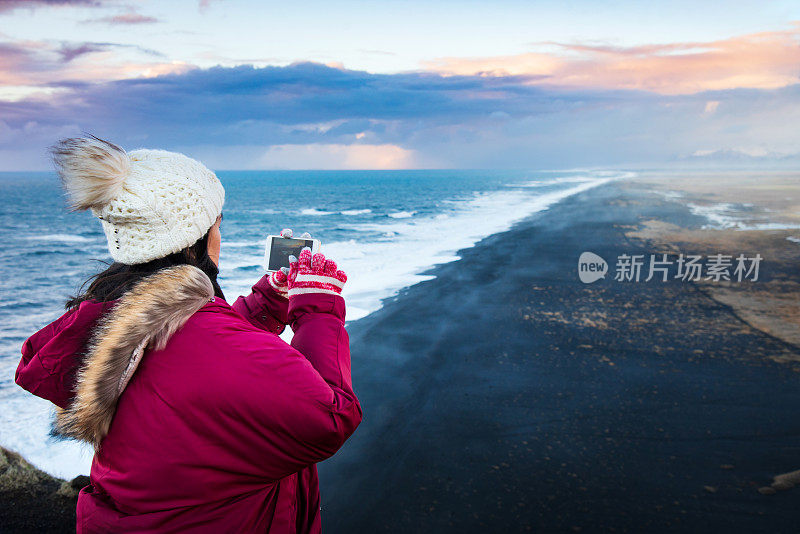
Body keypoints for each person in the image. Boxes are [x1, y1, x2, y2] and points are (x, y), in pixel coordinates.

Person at [14, 136, 362, 533]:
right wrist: (318, 307)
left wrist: (265, 305)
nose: (220, 236)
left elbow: (197, 359)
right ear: (196, 238)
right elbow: (330, 418)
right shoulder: (207, 338)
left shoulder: (109, 320)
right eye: (218, 223)